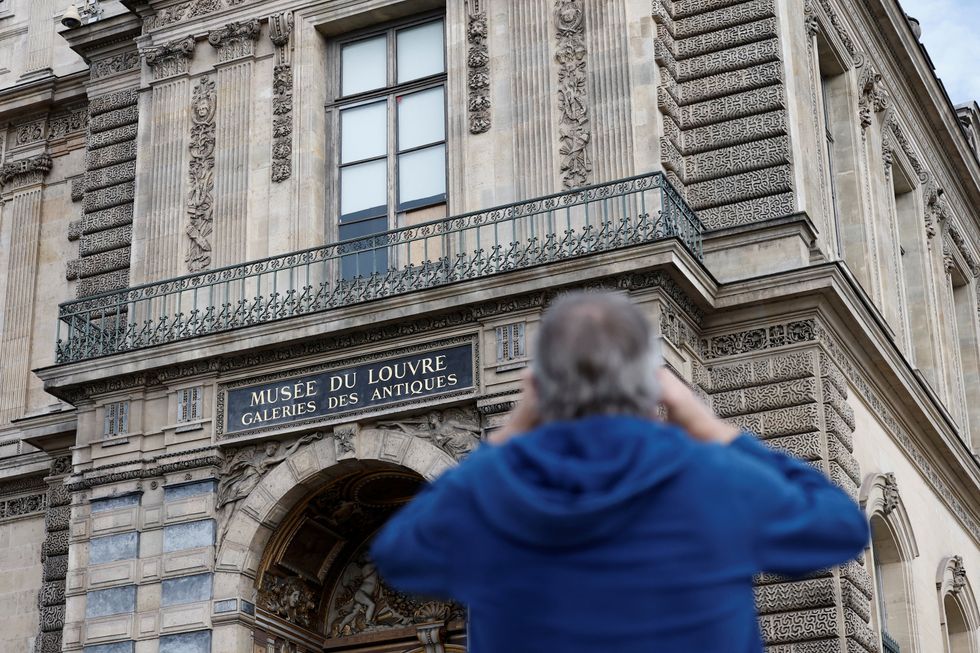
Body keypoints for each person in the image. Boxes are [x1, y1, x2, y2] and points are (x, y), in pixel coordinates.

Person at [370, 290, 870, 652]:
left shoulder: (494, 488)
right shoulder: (711, 476)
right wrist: (711, 427)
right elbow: (838, 528)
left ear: (540, 386)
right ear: (651, 384)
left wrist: (506, 434)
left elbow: (401, 555)